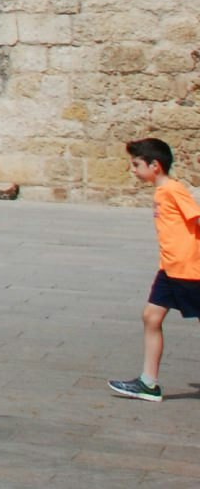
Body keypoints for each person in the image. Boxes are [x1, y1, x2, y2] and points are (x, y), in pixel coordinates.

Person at [112, 136, 200, 401]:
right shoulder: (162, 191)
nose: (134, 170)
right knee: (151, 317)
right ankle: (148, 383)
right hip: (170, 270)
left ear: (155, 166)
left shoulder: (173, 189)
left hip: (189, 270)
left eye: (137, 165)